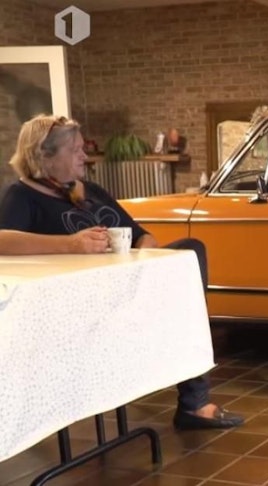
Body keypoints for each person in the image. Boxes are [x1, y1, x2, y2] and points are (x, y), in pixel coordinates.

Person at [0, 114, 244, 431]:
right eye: (75, 150)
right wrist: (70, 245)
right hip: (84, 306)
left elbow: (141, 235)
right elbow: (2, 240)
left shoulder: (91, 190)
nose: (85, 156)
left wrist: (142, 253)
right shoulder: (22, 196)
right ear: (44, 156)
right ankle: (194, 403)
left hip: (126, 287)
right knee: (184, 288)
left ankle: (194, 401)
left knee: (191, 250)